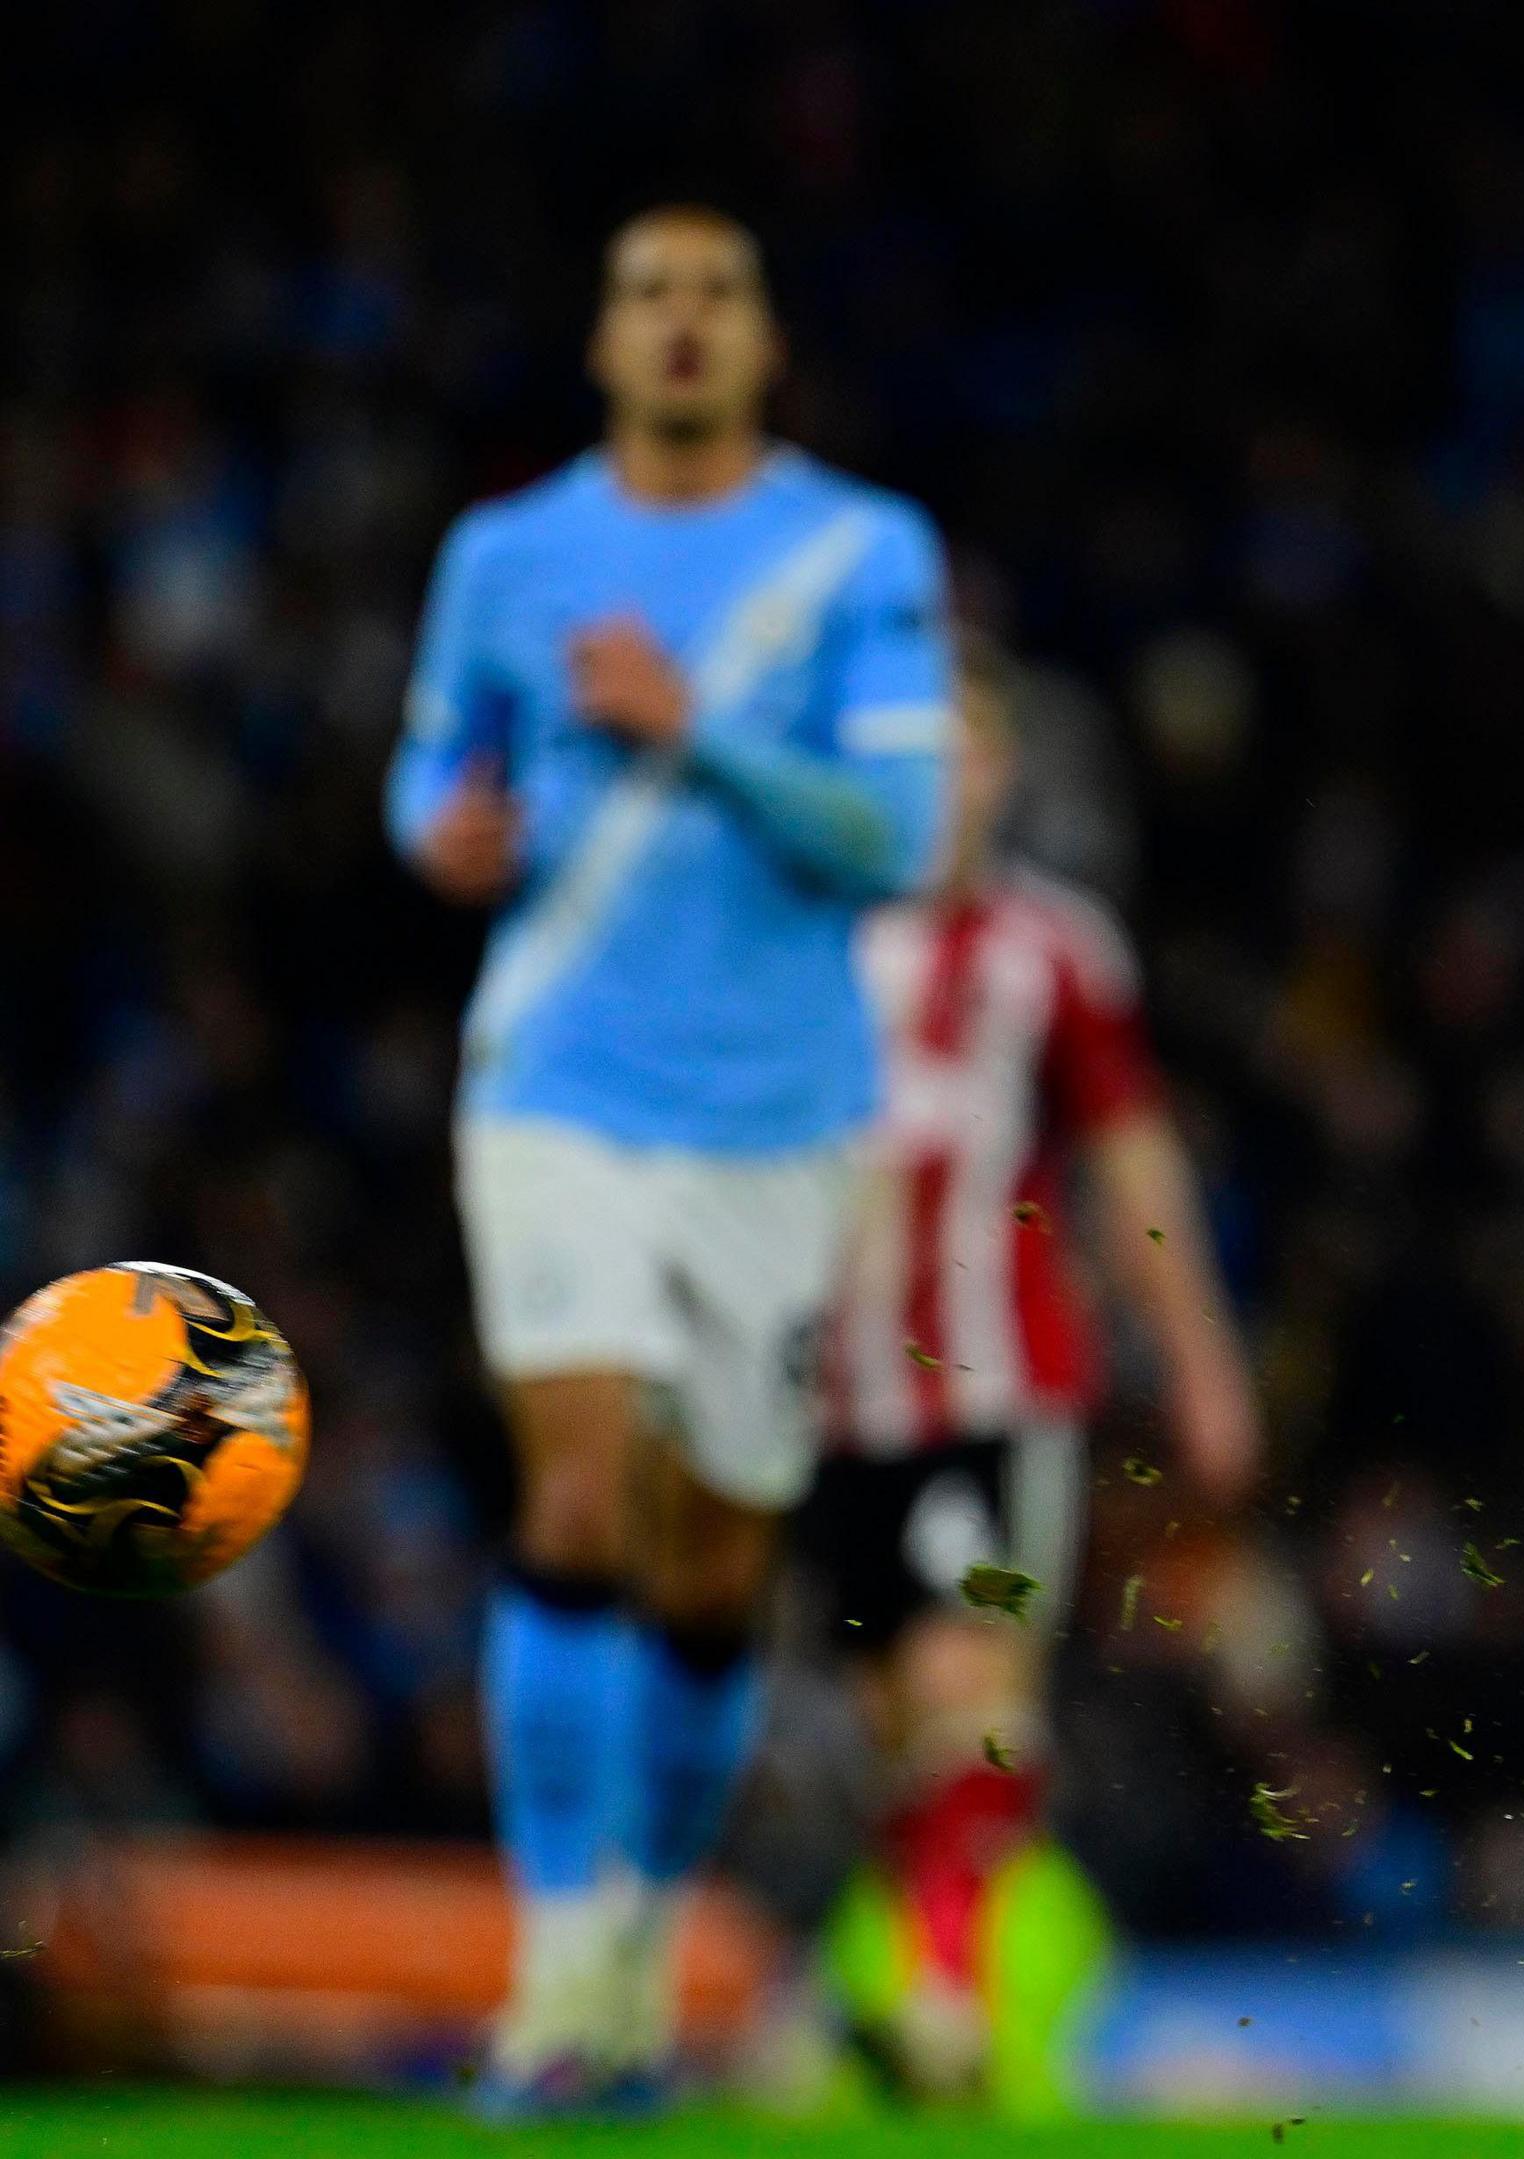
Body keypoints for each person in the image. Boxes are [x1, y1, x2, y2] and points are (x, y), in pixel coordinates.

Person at [389, 204, 954, 2113]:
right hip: (553, 1083)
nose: (684, 324)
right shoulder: (506, 553)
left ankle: (638, 1951)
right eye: (649, 293)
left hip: (782, 1117)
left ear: (765, 338)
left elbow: (889, 830)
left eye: (717, 292)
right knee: (575, 1486)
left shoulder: (861, 552)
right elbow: (431, 768)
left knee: (719, 1560)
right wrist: (439, 836)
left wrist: (692, 728)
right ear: (604, 341)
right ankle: (557, 1977)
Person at [801, 632, 1262, 2114]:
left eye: (959, 751)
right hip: (831, 1411)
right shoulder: (806, 946)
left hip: (993, 1400)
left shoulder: (1051, 952)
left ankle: (940, 2003)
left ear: (998, 772)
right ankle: (945, 2012)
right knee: (904, 1733)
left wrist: (1197, 1357)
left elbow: (1132, 1158)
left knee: (967, 1683)